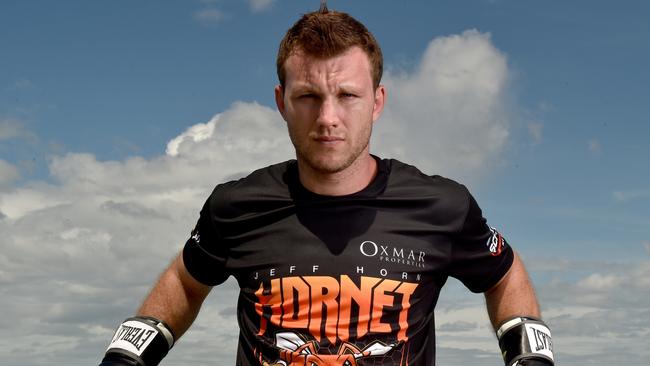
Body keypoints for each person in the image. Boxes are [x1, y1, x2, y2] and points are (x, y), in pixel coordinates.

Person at [98, 6, 554, 366]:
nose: (328, 118)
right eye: (308, 97)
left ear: (377, 101)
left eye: (347, 96)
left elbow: (504, 272)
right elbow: (185, 278)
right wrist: (127, 355)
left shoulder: (442, 206)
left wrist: (530, 356)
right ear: (281, 102)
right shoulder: (235, 207)